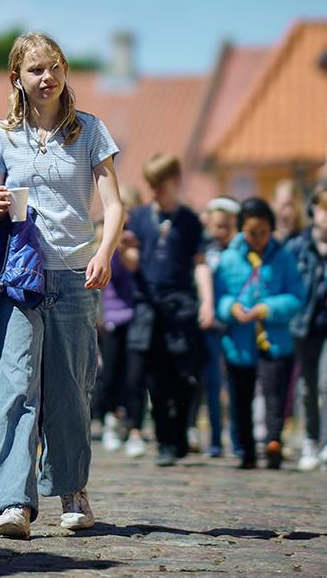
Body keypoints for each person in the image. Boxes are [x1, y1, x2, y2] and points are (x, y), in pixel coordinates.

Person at [0, 32, 123, 539]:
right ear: (16, 78)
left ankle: (72, 490)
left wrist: (105, 252)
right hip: (21, 277)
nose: (47, 77)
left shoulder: (90, 132)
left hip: (77, 273)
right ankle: (13, 503)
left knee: (70, 390)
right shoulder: (1, 137)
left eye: (54, 67)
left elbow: (115, 204)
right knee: (18, 386)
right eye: (36, 69)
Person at [121, 153, 214, 467]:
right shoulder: (141, 218)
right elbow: (135, 263)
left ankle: (180, 433)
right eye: (150, 185)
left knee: (184, 375)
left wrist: (208, 303)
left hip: (180, 308)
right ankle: (165, 441)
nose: (153, 191)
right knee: (155, 379)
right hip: (149, 309)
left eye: (158, 184)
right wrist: (123, 249)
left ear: (174, 181)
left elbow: (200, 265)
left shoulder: (189, 221)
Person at [215, 197, 304, 469]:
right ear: (242, 229)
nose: (258, 239)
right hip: (240, 342)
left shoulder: (284, 257)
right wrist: (232, 308)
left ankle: (274, 441)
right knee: (241, 397)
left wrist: (267, 308)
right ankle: (246, 450)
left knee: (274, 393)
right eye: (252, 233)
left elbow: (296, 297)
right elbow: (219, 297)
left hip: (274, 340)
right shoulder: (228, 259)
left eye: (264, 233)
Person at [286, 184, 327, 472]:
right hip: (303, 324)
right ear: (314, 211)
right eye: (326, 210)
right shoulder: (298, 245)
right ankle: (311, 440)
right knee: (307, 387)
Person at [189, 196, 240, 458]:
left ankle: (227, 438)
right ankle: (206, 436)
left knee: (224, 385)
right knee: (206, 383)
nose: (221, 232)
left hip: (229, 324)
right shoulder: (201, 250)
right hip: (206, 324)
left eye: (226, 226)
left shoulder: (235, 253)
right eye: (216, 225)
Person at [96, 185, 142, 453]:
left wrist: (125, 248)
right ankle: (111, 420)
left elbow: (136, 266)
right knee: (110, 374)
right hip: (110, 317)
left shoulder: (135, 240)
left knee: (134, 376)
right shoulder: (102, 236)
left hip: (133, 315)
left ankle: (132, 426)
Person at [271, 179, 304, 245]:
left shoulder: (305, 241)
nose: (287, 212)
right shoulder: (264, 241)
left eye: (291, 205)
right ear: (273, 204)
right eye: (283, 205)